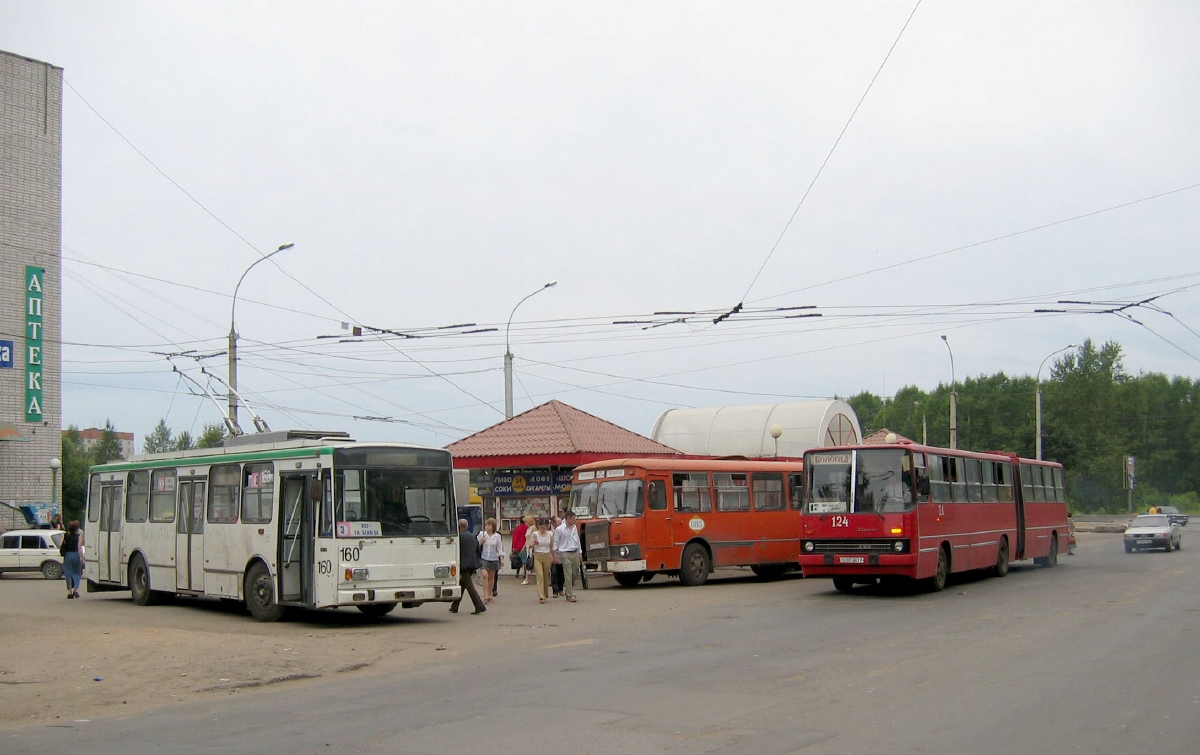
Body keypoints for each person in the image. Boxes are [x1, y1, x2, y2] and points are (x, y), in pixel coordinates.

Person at [449, 519, 486, 615]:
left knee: (469, 585)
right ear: (467, 526)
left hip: (464, 564)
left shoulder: (459, 537)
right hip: (472, 563)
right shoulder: (472, 536)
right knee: (463, 584)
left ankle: (479, 605)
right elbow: (477, 549)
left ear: (458, 526)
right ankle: (455, 605)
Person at [552, 511, 582, 603]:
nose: (575, 520)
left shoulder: (575, 528)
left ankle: (569, 590)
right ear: (568, 519)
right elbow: (555, 542)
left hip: (574, 552)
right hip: (565, 552)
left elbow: (577, 540)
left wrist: (580, 552)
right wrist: (554, 556)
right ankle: (570, 594)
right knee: (568, 574)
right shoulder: (560, 529)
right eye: (573, 519)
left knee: (574, 573)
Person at [528, 518, 555, 603]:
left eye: (544, 527)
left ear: (547, 526)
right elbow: (530, 545)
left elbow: (551, 546)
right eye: (540, 527)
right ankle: (541, 596)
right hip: (537, 555)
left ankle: (545, 593)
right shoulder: (535, 534)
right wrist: (534, 543)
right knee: (540, 575)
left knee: (546, 576)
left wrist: (553, 557)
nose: (542, 529)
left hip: (547, 556)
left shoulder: (550, 534)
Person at [477, 518, 504, 603]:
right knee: (485, 575)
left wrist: (501, 559)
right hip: (484, 557)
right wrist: (481, 541)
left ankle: (490, 594)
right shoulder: (482, 534)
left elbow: (499, 548)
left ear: (493, 526)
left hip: (494, 558)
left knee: (491, 577)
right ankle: (485, 595)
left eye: (489, 525)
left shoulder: (497, 536)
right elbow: (475, 544)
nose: (487, 527)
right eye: (486, 525)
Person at [60, 520, 84, 599]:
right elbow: (79, 547)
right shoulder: (79, 536)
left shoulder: (65, 535)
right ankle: (76, 590)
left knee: (68, 573)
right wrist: (82, 557)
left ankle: (69, 592)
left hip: (67, 555)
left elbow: (60, 544)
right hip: (76, 555)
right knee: (77, 573)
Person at [511, 515, 532, 584]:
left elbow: (515, 538)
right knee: (525, 560)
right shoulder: (528, 528)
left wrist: (513, 547)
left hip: (519, 545)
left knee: (518, 560)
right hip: (525, 545)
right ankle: (525, 573)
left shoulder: (518, 528)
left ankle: (518, 573)